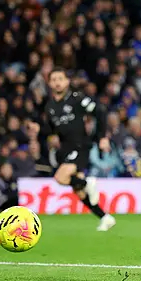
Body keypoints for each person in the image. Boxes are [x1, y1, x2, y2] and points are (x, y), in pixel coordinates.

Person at [26, 68, 116, 230]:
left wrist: (102, 137)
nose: (57, 82)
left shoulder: (77, 98)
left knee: (60, 177)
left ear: (67, 82)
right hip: (65, 149)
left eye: (60, 79)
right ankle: (105, 217)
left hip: (80, 146)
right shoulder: (49, 106)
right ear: (49, 83)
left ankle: (88, 182)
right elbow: (52, 129)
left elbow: (100, 111)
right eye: (54, 79)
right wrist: (39, 129)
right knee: (79, 190)